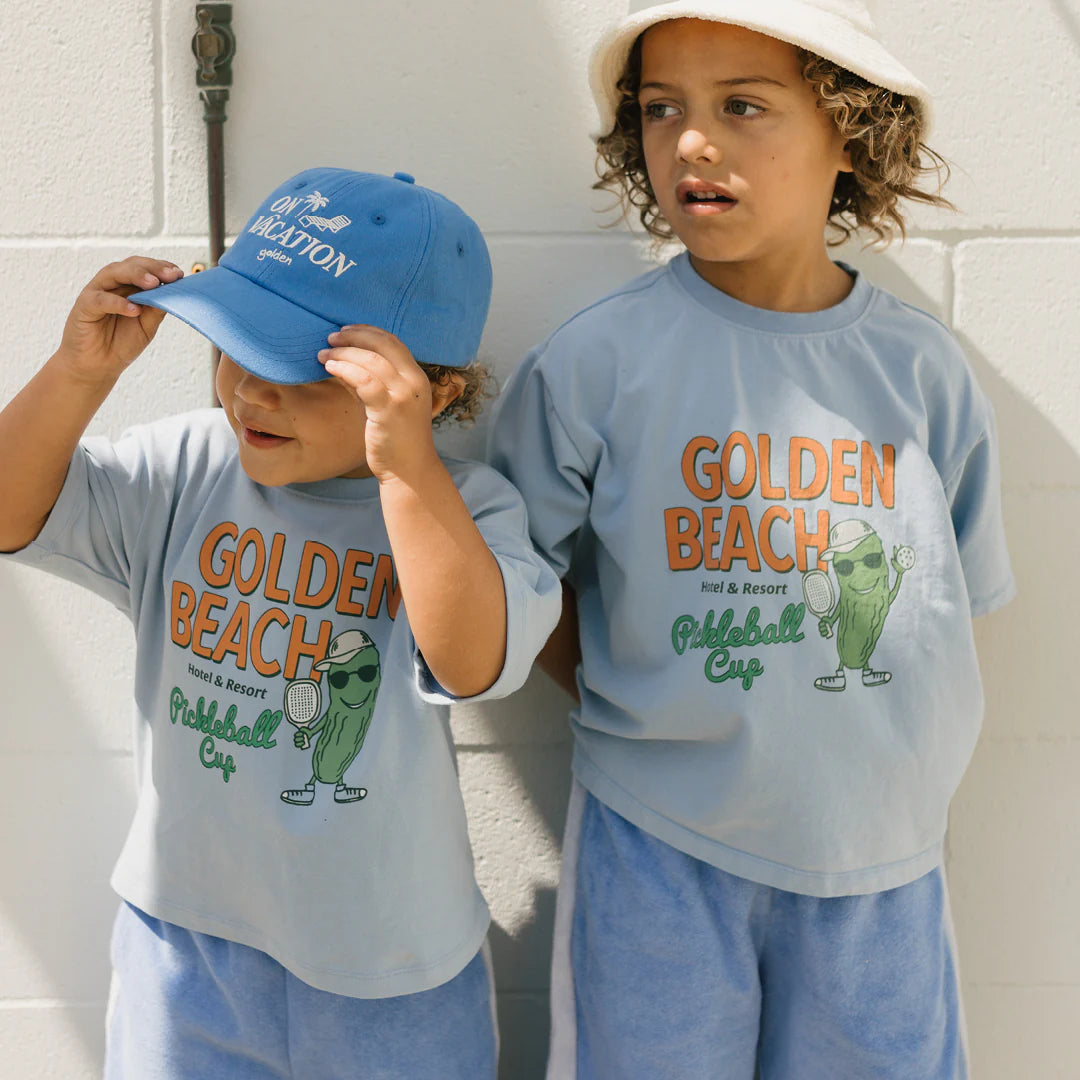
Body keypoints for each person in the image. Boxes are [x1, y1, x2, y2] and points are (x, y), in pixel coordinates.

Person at [487, 3, 1013, 1077]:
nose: (692, 141)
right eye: (660, 110)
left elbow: (957, 594)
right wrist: (628, 691)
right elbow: (513, 592)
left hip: (882, 864)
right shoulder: (596, 363)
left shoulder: (922, 372)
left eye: (742, 106)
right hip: (661, 847)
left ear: (849, 133)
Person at [0, 167, 560, 1079]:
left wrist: (408, 471)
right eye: (235, 349)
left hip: (392, 964)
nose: (253, 392)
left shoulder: (465, 510)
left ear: (435, 393)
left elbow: (472, 662)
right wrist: (78, 374)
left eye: (303, 371)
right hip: (185, 943)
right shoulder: (188, 466)